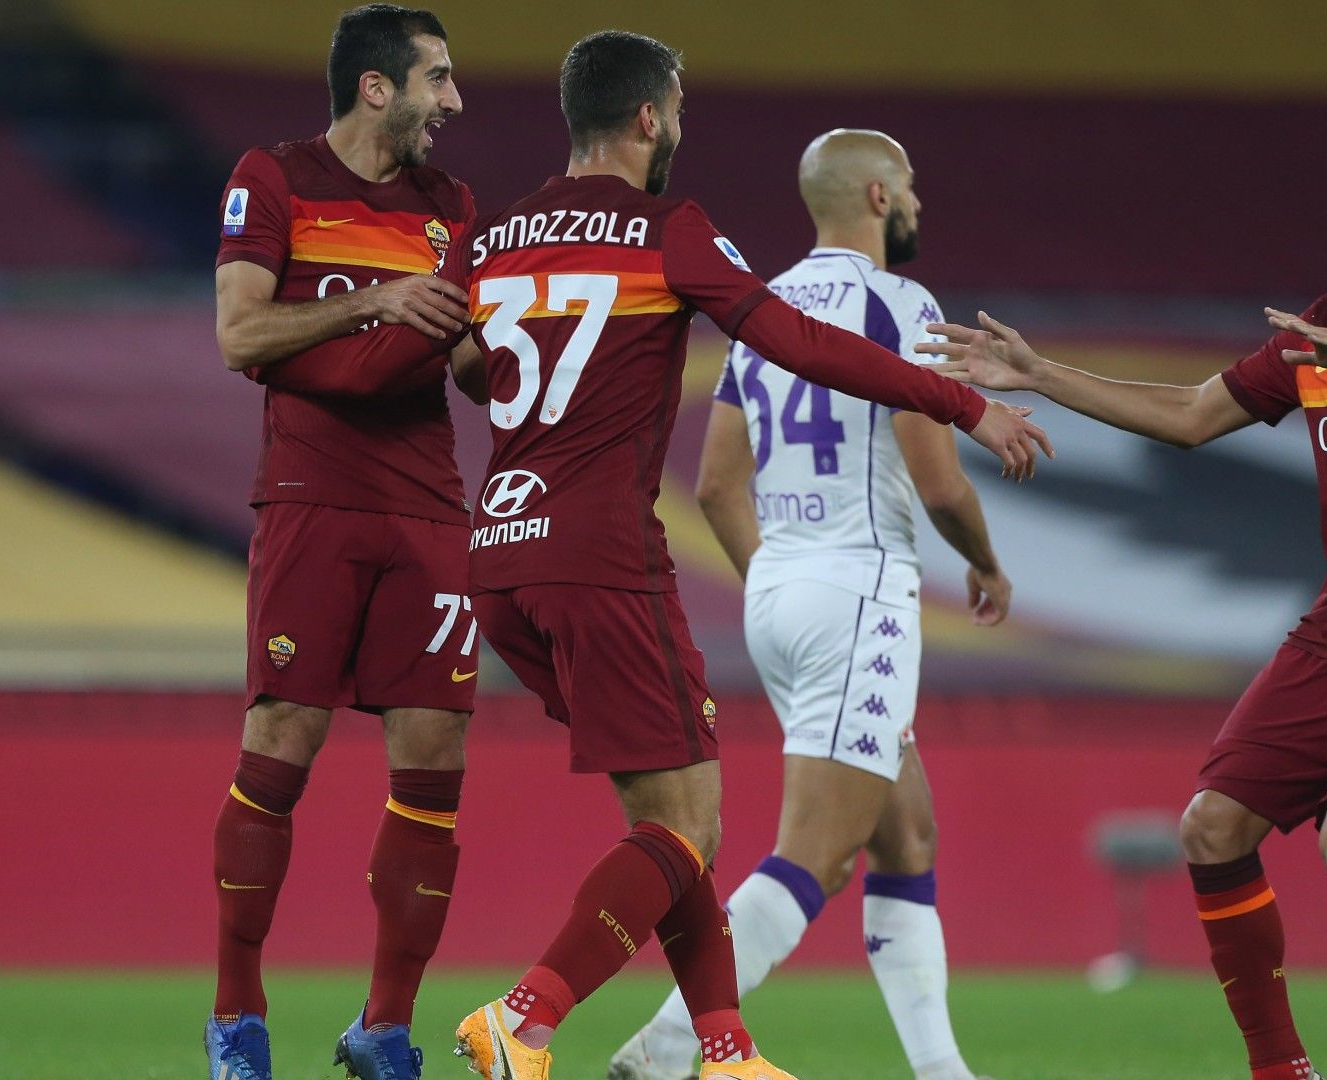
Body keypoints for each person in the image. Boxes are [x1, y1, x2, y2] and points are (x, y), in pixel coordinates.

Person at [447, 31, 1051, 1080]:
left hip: (501, 553)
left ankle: (724, 1051)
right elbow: (801, 343)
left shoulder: (497, 236)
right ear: (647, 118)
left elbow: (469, 363)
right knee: (697, 828)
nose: (679, 127)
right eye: (675, 109)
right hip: (611, 557)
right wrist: (966, 401)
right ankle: (528, 1016)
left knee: (689, 824)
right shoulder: (668, 229)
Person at [920, 111, 1327, 1080]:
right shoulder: (1318, 328)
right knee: (1210, 829)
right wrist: (1040, 375)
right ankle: (1278, 1071)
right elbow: (1190, 415)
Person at [609, 129, 1002, 1080]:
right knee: (815, 854)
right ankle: (665, 1049)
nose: (916, 203)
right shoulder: (899, 304)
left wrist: (777, 576)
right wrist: (987, 564)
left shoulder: (765, 308)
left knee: (903, 830)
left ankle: (943, 1069)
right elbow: (939, 480)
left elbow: (712, 486)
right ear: (875, 195)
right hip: (860, 582)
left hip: (779, 587)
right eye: (907, 185)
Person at [207, 6, 485, 1078]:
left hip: (425, 506)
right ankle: (238, 1019)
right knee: (283, 749)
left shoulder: (451, 207)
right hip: (309, 500)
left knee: (436, 763)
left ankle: (385, 1030)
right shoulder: (274, 179)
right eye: (439, 80)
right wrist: (378, 304)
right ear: (378, 87)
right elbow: (241, 335)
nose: (453, 103)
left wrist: (492, 348)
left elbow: (459, 362)